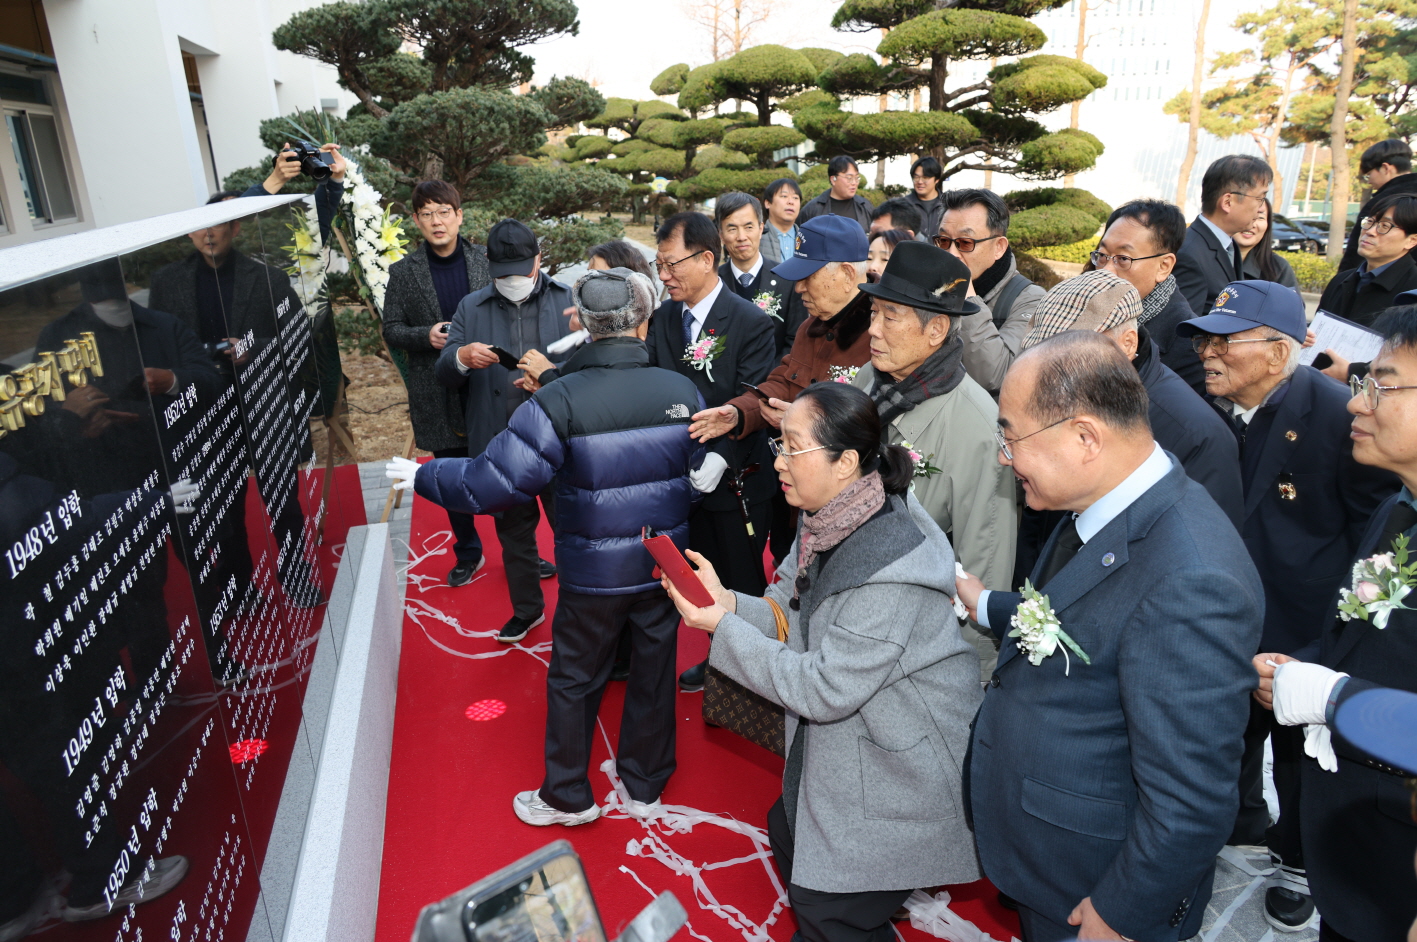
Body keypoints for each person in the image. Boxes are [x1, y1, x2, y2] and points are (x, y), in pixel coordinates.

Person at [957, 331, 1265, 942]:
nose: (1002, 457)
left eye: (1011, 436)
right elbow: (1085, 620)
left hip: (1092, 890)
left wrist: (1124, 911)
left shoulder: (1192, 578)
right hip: (1049, 860)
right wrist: (988, 605)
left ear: (1085, 438)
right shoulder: (1105, 504)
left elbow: (1193, 798)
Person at [664, 382, 983, 942]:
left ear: (847, 462)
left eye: (791, 447)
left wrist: (722, 628)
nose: (778, 461)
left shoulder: (889, 564)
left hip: (905, 751)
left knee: (826, 902)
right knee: (788, 832)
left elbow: (824, 690)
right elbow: (788, 603)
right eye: (778, 445)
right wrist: (729, 604)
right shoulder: (829, 517)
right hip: (859, 727)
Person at [392, 268, 707, 827]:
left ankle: (568, 795)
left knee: (573, 678)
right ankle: (646, 785)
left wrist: (424, 474)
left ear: (583, 325)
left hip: (592, 573)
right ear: (643, 322)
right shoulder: (681, 389)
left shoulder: (558, 399)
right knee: (654, 671)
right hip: (663, 564)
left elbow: (491, 485)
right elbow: (698, 476)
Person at [1176, 280, 1398, 929]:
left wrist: (1329, 639)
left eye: (1225, 341)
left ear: (1278, 352)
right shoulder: (1203, 410)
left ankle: (1299, 863)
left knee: (1299, 756)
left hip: (1305, 623)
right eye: (1202, 340)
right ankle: (1237, 827)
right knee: (1222, 741)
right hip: (1227, 613)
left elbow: (1372, 538)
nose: (1208, 354)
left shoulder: (1337, 414)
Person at [1253, 305, 1417, 940]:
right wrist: (1309, 667)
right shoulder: (1397, 508)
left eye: (1382, 385)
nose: (1355, 404)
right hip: (1363, 859)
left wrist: (1332, 697)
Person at [854, 242, 1018, 678]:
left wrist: (967, 682)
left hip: (913, 644)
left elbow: (983, 566)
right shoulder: (869, 377)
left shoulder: (978, 430)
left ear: (936, 329)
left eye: (890, 317)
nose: (873, 330)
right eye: (874, 313)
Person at [1016, 270, 1243, 583]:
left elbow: (1201, 561)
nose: (1056, 371)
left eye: (1072, 355)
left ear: (1127, 343)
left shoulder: (1195, 433)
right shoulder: (1065, 393)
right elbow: (1038, 518)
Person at [689, 215, 875, 573]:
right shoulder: (813, 326)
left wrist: (801, 418)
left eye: (808, 277)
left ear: (848, 274)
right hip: (797, 500)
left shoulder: (882, 331)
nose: (799, 288)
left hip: (851, 503)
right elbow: (780, 383)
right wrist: (739, 413)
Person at [645, 211, 778, 692]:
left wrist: (722, 453)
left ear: (706, 259)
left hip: (738, 476)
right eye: (658, 267)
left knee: (742, 581)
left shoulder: (750, 321)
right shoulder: (664, 319)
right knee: (695, 574)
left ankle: (754, 675)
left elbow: (756, 396)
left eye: (670, 265)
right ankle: (719, 661)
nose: (664, 277)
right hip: (681, 476)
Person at [434, 219, 573, 642]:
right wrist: (460, 356)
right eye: (504, 273)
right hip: (500, 441)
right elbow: (443, 373)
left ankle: (579, 611)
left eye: (522, 270)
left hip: (559, 438)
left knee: (570, 530)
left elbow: (590, 366)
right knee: (513, 531)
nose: (513, 280)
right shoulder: (471, 307)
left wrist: (552, 376)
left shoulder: (567, 300)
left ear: (539, 260)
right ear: (489, 266)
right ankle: (527, 609)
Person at [381, 180, 492, 587]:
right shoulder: (403, 272)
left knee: (503, 464)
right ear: (416, 221)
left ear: (459, 216)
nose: (437, 221)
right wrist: (425, 335)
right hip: (435, 386)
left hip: (487, 381)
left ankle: (522, 551)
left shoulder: (485, 260)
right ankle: (468, 551)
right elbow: (391, 328)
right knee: (449, 469)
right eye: (427, 213)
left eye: (444, 211)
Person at [1091, 198, 1207, 396]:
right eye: (1102, 255)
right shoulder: (1082, 308)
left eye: (1123, 259)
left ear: (1164, 267)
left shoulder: (1191, 346)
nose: (1107, 271)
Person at [936, 188, 1047, 394]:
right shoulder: (932, 285)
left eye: (965, 243)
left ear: (999, 247)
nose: (951, 254)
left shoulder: (1030, 299)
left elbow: (996, 375)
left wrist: (967, 298)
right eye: (943, 241)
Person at [1175, 154, 1273, 316]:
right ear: (1228, 202)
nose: (1261, 207)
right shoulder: (1189, 254)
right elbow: (1183, 329)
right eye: (1260, 198)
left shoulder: (1229, 245)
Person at [715, 191, 809, 357]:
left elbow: (795, 340)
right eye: (732, 229)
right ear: (721, 235)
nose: (741, 237)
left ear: (760, 228)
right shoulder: (713, 282)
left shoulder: (787, 280)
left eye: (748, 227)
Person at [1317, 192, 1417, 329]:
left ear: (1412, 241)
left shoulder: (1412, 293)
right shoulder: (1341, 281)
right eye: (1370, 222)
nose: (1370, 231)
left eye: (1385, 226)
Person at [1340, 139, 1417, 272]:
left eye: (1369, 174)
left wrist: (1343, 284)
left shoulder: (1382, 202)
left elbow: (1356, 253)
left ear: (1386, 168)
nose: (1369, 181)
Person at [1236, 197, 1300, 290]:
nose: (1252, 224)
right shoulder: (1209, 260)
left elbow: (1291, 304)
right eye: (1245, 214)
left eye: (1260, 217)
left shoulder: (1278, 267)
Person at [799, 156, 873, 233]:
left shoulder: (865, 206)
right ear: (833, 179)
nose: (854, 182)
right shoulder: (813, 209)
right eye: (849, 178)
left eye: (857, 177)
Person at [760, 177, 803, 266]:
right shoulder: (757, 237)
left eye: (795, 197)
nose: (791, 202)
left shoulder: (807, 239)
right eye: (784, 196)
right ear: (768, 203)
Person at [905, 155, 945, 240]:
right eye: (916, 177)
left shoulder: (947, 205)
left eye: (925, 178)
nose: (920, 182)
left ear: (937, 180)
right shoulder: (904, 206)